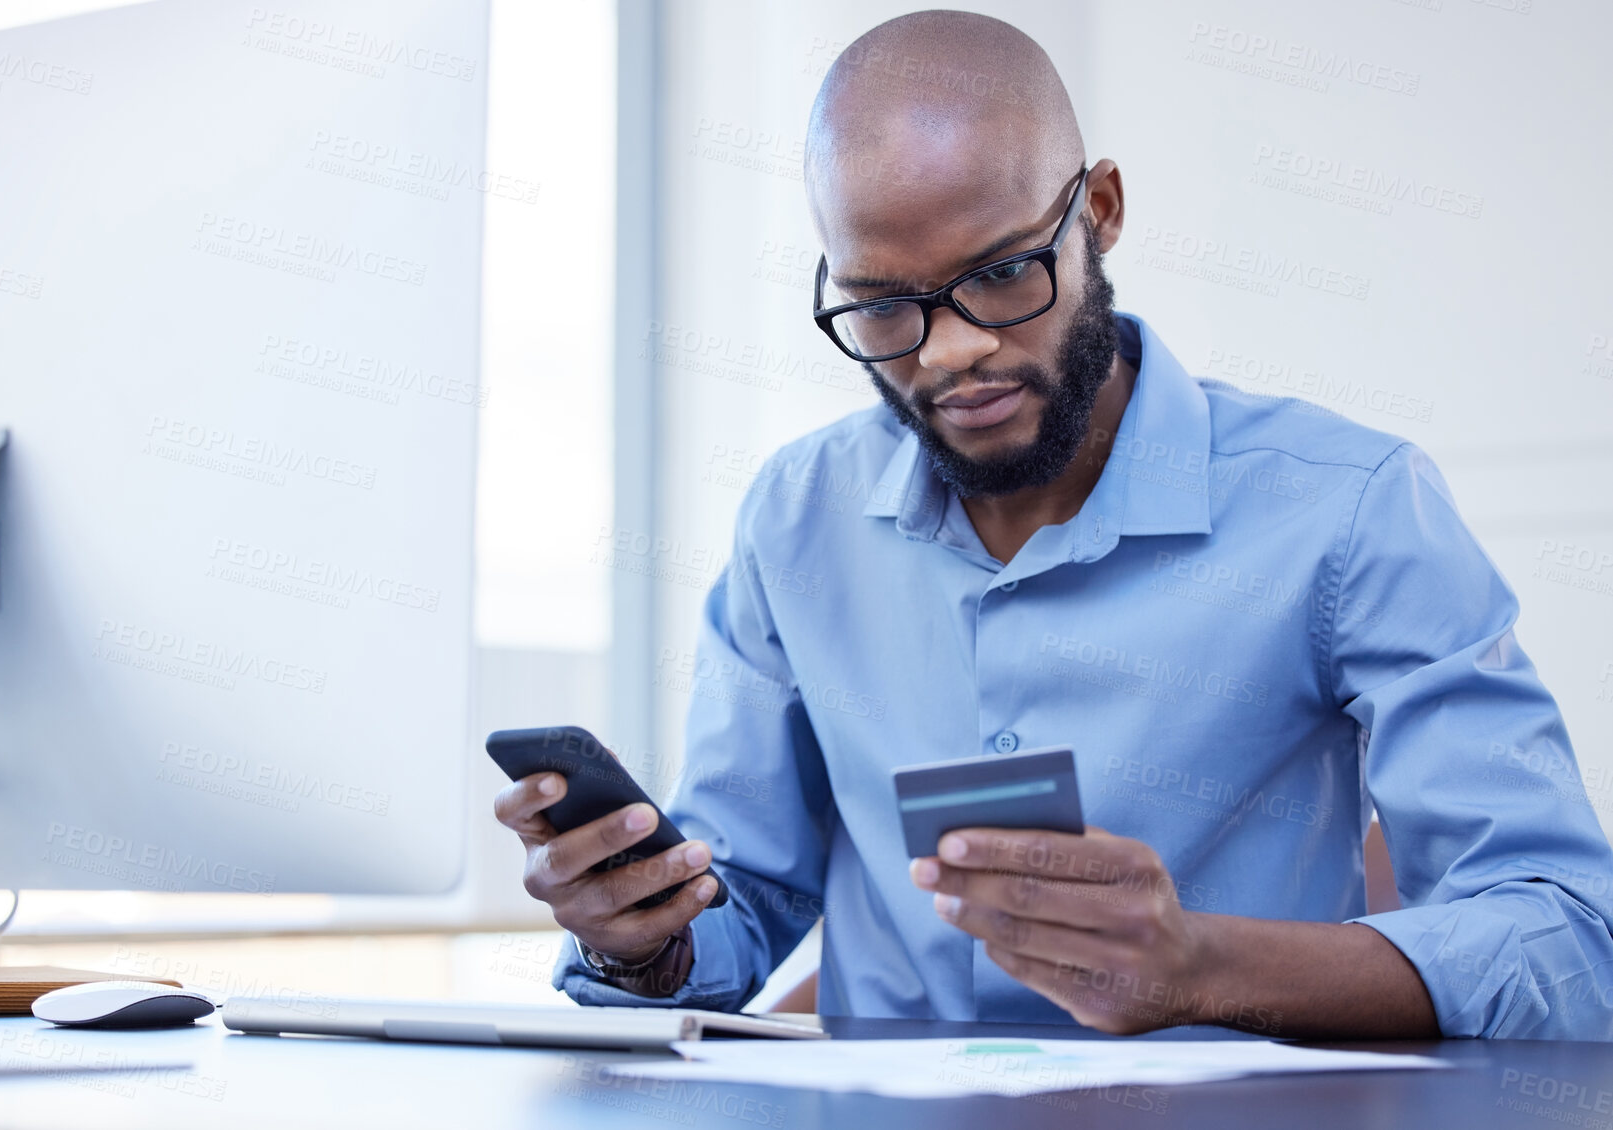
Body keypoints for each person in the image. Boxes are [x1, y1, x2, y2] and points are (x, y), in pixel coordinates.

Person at [493, 9, 1613, 1038]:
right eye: (881, 303)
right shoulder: (796, 518)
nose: (948, 351)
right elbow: (739, 909)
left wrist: (1201, 964)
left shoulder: (1347, 509)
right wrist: (641, 936)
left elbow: (1568, 938)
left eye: (999, 275)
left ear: (1101, 213)